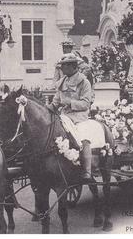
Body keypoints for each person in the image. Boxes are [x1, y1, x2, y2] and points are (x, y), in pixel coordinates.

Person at [48, 53, 93, 181]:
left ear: (73, 67)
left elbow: (86, 103)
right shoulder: (62, 82)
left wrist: (69, 103)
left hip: (79, 117)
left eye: (65, 66)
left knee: (84, 138)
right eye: (62, 66)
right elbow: (56, 102)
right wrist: (47, 109)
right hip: (64, 116)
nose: (62, 69)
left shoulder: (84, 82)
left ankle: (87, 171)